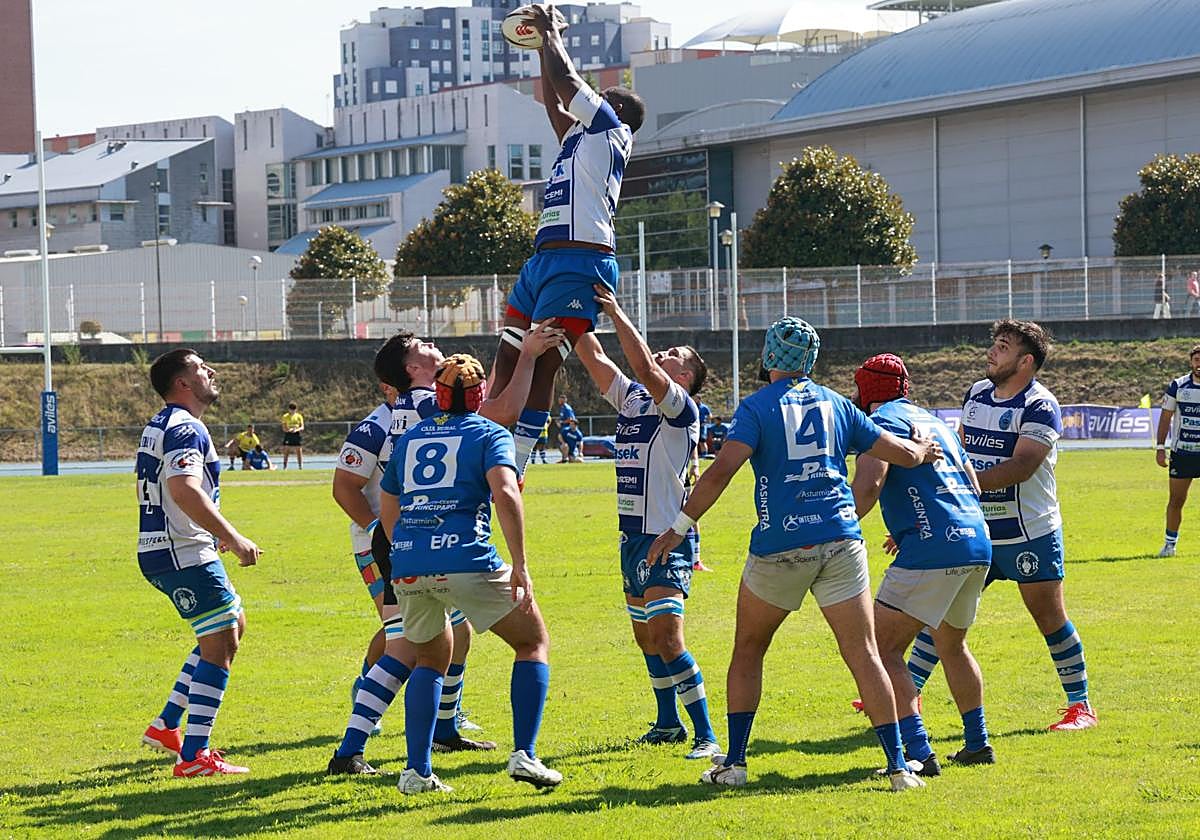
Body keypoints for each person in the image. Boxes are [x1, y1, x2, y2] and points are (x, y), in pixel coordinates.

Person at [647, 317, 943, 792]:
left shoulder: (756, 407)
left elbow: (722, 470)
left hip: (781, 544)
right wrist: (923, 451)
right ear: (811, 361)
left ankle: (736, 764)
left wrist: (679, 527)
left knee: (749, 649)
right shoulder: (838, 404)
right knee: (864, 653)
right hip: (841, 539)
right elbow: (897, 452)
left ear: (767, 359)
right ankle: (897, 768)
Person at [327, 326, 564, 775]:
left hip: (410, 540)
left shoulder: (408, 412)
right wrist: (526, 355)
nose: (434, 346)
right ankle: (353, 744)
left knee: (442, 642)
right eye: (424, 347)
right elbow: (500, 409)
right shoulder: (412, 412)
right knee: (407, 647)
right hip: (414, 538)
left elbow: (479, 393)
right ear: (413, 370)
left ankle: (438, 734)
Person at [907, 319, 1098, 732]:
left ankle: (1080, 706)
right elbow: (958, 449)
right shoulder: (976, 393)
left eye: (1003, 346)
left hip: (1029, 531)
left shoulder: (1040, 405)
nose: (992, 352)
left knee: (1049, 617)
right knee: (938, 612)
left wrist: (964, 481)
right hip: (976, 529)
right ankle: (907, 693)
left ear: (1025, 361)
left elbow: (1022, 466)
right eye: (994, 344)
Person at [383, 354, 562, 794]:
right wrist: (519, 563)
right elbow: (504, 491)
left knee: (428, 660)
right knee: (532, 641)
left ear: (438, 395)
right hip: (466, 556)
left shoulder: (412, 436)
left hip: (409, 561)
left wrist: (407, 547)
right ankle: (525, 754)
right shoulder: (489, 433)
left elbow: (389, 502)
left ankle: (417, 771)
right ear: (482, 393)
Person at [486, 3, 646, 480]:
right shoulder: (580, 136)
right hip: (546, 258)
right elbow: (556, 102)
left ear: (611, 108)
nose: (588, 98)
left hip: (582, 259)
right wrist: (539, 46)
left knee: (544, 365)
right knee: (511, 354)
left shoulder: (609, 129)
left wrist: (552, 32)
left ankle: (514, 466)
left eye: (600, 96)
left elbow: (568, 85)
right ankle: (484, 446)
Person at [574, 284, 719, 760]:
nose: (667, 353)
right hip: (632, 537)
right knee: (644, 636)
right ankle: (666, 723)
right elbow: (595, 358)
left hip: (667, 536)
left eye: (678, 355)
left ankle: (707, 736)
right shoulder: (634, 400)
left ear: (686, 377)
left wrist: (615, 312)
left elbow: (644, 368)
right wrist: (567, 310)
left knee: (667, 636)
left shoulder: (681, 407)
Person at [849, 353, 995, 773]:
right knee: (952, 645)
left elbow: (869, 485)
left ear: (868, 390)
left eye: (858, 388)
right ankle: (977, 742)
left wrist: (832, 525)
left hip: (934, 547)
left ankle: (917, 751)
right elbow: (968, 482)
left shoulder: (880, 424)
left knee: (881, 648)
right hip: (975, 540)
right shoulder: (936, 422)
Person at [137, 349, 262, 777]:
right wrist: (232, 536)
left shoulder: (163, 423)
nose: (210, 371)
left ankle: (167, 726)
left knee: (233, 622)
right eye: (199, 368)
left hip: (171, 547)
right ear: (182, 384)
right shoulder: (184, 426)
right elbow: (186, 489)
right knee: (221, 642)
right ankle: (194, 756)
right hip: (181, 552)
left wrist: (214, 534)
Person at [1154, 344, 1200, 557]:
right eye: (1196, 360)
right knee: (1176, 500)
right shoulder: (1178, 386)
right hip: (1183, 453)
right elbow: (1165, 418)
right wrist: (1160, 448)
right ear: (1191, 362)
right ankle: (1170, 544)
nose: (1199, 364)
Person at [280, 402, 305, 470]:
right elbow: (284, 428)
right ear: (289, 409)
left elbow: (302, 427)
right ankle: (285, 466)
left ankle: (300, 466)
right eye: (291, 409)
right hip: (289, 434)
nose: (292, 411)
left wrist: (296, 430)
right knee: (286, 450)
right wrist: (289, 430)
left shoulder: (299, 416)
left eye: (294, 409)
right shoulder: (285, 416)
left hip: (296, 434)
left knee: (298, 450)